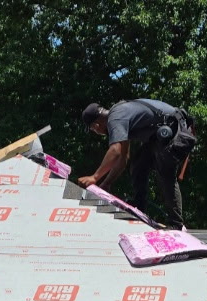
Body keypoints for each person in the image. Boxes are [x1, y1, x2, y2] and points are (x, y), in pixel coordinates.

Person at [79, 98, 188, 229]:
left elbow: (115, 150)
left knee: (165, 173)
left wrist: (95, 177)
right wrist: (107, 183)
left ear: (96, 125)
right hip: (161, 134)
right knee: (138, 164)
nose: (98, 133)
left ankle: (176, 224)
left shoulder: (115, 119)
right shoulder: (119, 115)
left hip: (174, 130)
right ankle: (139, 208)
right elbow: (123, 158)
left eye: (94, 130)